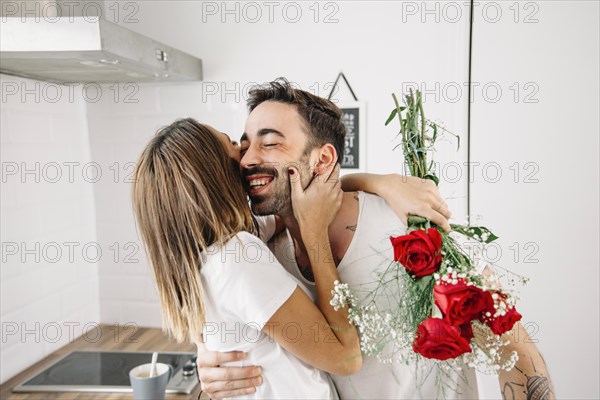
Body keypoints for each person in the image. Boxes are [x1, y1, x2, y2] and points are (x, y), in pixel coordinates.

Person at [196, 79, 555, 400]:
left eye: (270, 143)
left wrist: (380, 184)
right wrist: (208, 359)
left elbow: (518, 354)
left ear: (323, 159)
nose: (247, 160)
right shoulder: (262, 258)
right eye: (244, 147)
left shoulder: (410, 230)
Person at [132, 118, 362, 399]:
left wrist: (375, 183)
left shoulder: (209, 252)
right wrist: (315, 237)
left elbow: (296, 206)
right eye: (233, 144)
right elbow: (346, 359)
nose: (246, 155)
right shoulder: (237, 255)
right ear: (215, 173)